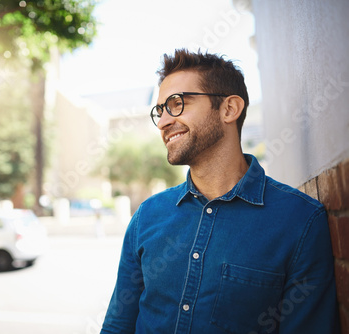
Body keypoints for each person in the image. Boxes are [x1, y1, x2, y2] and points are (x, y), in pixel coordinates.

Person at [100, 49, 339, 334]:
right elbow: (118, 325)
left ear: (229, 109)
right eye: (160, 110)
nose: (163, 122)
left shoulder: (300, 221)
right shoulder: (147, 217)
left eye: (177, 104)